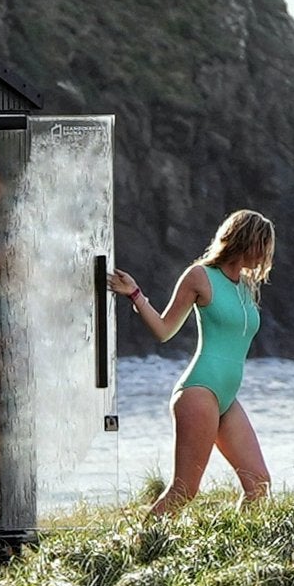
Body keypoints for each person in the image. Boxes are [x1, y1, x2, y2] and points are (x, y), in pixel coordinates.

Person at [107, 210, 274, 514]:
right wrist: (134, 294)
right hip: (200, 390)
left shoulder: (247, 287)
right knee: (184, 491)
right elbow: (163, 330)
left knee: (259, 484)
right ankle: (140, 545)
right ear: (243, 240)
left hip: (227, 396)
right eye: (261, 244)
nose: (265, 254)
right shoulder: (200, 276)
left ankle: (235, 552)